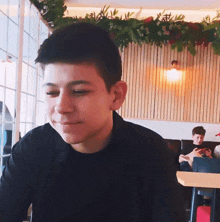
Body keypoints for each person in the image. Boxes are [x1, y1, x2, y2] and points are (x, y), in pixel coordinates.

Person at [0, 22, 187, 222]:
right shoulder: (34, 147)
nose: (62, 107)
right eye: (52, 92)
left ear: (115, 95)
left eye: (79, 91)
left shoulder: (150, 151)